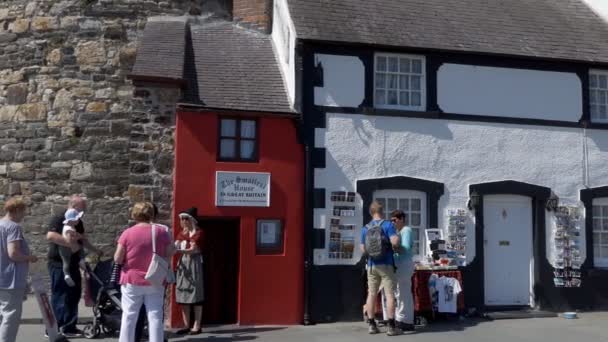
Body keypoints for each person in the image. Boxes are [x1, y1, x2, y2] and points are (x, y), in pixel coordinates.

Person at [114, 202, 174, 342]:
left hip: (132, 279)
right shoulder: (160, 232)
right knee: (155, 316)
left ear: (135, 214)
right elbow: (170, 251)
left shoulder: (127, 233)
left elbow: (117, 258)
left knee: (129, 315)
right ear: (151, 214)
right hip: (155, 279)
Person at [46, 195, 103, 337]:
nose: (85, 210)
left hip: (74, 263)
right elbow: (51, 236)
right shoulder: (59, 218)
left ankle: (69, 327)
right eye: (83, 207)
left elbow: (83, 240)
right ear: (74, 206)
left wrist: (95, 250)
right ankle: (54, 329)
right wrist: (72, 245)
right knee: (60, 295)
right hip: (58, 263)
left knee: (74, 294)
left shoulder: (79, 222)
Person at [360, 200, 401, 336]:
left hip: (372, 265)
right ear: (382, 211)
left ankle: (372, 325)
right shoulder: (388, 225)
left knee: (371, 294)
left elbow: (363, 249)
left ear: (371, 212)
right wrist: (395, 245)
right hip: (387, 263)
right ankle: (391, 327)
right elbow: (394, 242)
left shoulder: (365, 228)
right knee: (389, 295)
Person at [0, 197, 37, 342]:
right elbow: (13, 253)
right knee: (10, 316)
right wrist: (30, 257)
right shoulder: (13, 227)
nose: (24, 215)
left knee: (3, 315)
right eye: (23, 211)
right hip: (10, 279)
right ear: (16, 210)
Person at [175, 207, 205, 335]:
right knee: (183, 293)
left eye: (185, 218)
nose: (182, 221)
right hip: (183, 264)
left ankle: (197, 325)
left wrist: (177, 251)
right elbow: (175, 245)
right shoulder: (182, 234)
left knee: (196, 294)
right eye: (181, 218)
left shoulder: (198, 233)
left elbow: (193, 249)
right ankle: (186, 324)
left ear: (191, 220)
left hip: (194, 264)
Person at [390, 209, 415, 332]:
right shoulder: (398, 231)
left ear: (401, 219)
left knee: (404, 293)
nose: (392, 222)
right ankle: (401, 318)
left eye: (394, 220)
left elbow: (404, 248)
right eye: (391, 220)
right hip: (399, 265)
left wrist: (392, 246)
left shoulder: (406, 230)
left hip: (404, 264)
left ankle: (406, 321)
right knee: (399, 293)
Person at [59, 208, 84, 287]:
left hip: (64, 248)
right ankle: (81, 260)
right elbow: (69, 239)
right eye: (77, 219)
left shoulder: (67, 227)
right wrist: (77, 238)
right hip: (67, 248)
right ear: (71, 220)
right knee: (80, 250)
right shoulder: (69, 229)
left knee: (66, 262)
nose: (78, 220)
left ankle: (67, 275)